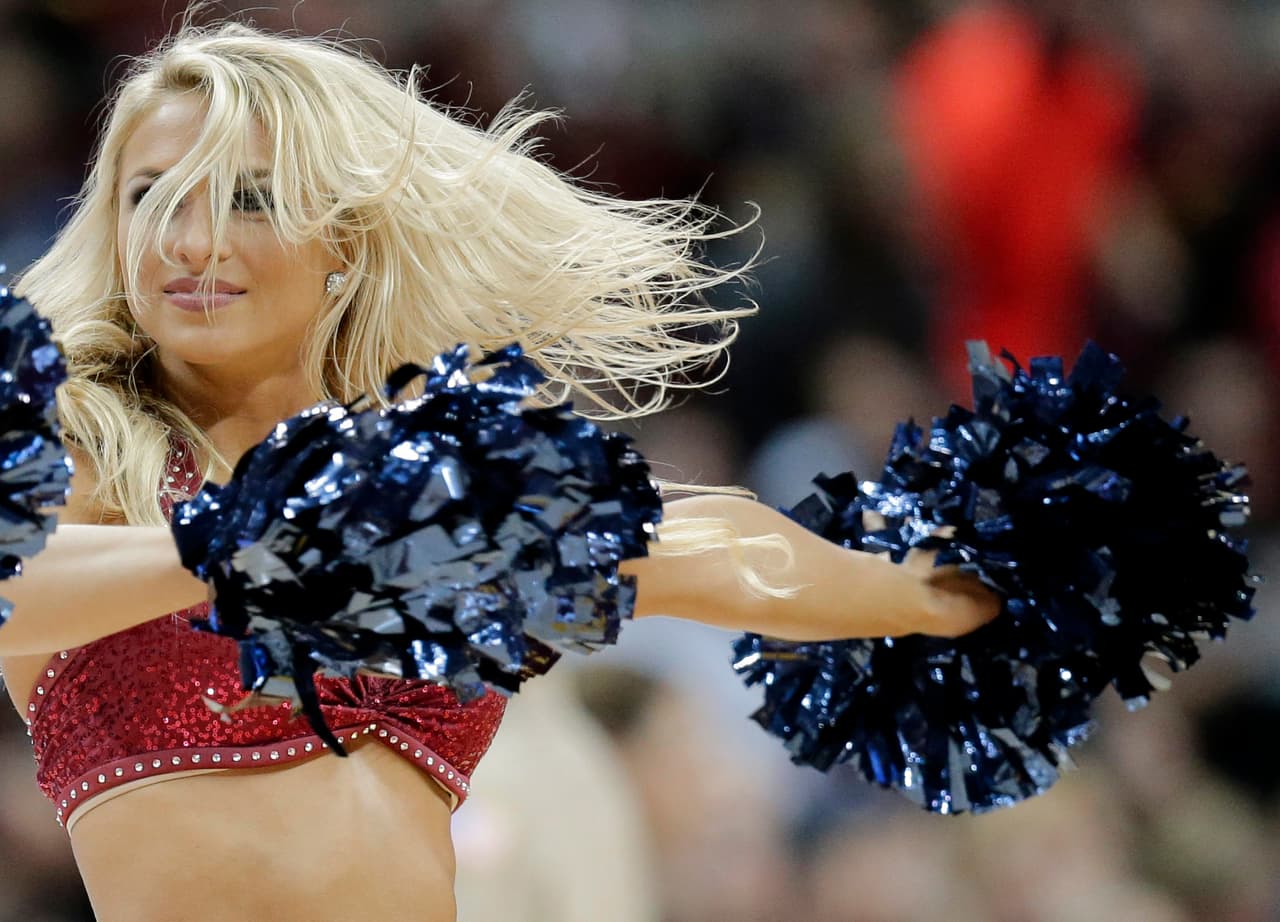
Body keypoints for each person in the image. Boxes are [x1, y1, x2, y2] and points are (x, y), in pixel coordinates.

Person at [0, 20, 996, 921]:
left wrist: (921, 590)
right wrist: (239, 546)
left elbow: (707, 542)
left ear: (341, 239)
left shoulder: (421, 497)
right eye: (152, 197)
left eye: (251, 199)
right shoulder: (87, 442)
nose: (191, 242)